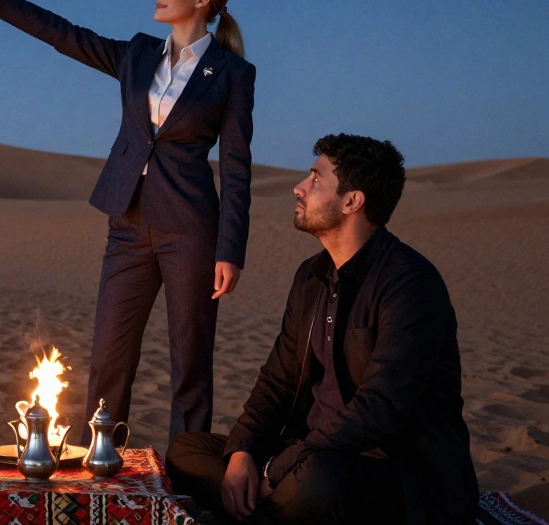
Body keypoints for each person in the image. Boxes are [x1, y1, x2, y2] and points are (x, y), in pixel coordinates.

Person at [0, 0, 255, 444]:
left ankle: (187, 479)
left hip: (189, 230)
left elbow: (236, 168)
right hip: (126, 222)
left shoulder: (231, 73)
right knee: (109, 357)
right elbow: (65, 35)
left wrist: (229, 251)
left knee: (190, 362)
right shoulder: (139, 53)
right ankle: (102, 469)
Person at [165, 134, 478, 525]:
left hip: (390, 467)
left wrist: (278, 469)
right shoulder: (311, 276)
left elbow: (380, 410)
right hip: (304, 454)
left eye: (315, 179)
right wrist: (243, 453)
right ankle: (273, 506)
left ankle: (267, 505)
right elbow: (277, 380)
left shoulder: (410, 284)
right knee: (188, 451)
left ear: (352, 201)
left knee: (316, 483)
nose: (299, 188)